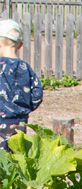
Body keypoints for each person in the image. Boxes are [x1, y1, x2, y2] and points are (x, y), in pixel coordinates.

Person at [0, 19, 43, 151]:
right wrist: (24, 109)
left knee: (3, 163)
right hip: (20, 122)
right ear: (20, 45)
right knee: (17, 157)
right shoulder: (25, 67)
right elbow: (37, 94)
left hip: (1, 121)